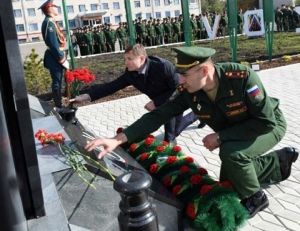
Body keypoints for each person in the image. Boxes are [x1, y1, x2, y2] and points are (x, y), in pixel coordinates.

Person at [85, 46, 298, 218]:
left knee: (232, 154)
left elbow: (266, 121)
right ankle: (279, 161)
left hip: (267, 125)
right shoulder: (189, 91)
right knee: (230, 182)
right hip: (238, 131)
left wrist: (221, 137)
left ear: (204, 71)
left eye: (184, 74)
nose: (180, 80)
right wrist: (117, 139)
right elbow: (159, 115)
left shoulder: (241, 78)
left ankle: (256, 198)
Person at [70, 44, 201, 142]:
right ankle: (173, 137)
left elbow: (178, 88)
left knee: (173, 133)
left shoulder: (162, 67)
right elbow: (113, 86)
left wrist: (156, 102)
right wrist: (87, 96)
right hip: (161, 104)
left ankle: (196, 115)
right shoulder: (131, 73)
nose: (126, 62)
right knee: (170, 133)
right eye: (125, 59)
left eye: (129, 59)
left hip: (175, 99)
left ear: (142, 58)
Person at [39, 0, 69, 108]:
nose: (57, 8)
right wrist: (62, 59)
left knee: (58, 81)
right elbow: (53, 44)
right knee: (57, 82)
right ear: (50, 9)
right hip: (55, 58)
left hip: (56, 56)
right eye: (54, 6)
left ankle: (59, 103)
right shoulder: (49, 23)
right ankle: (59, 105)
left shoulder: (51, 22)